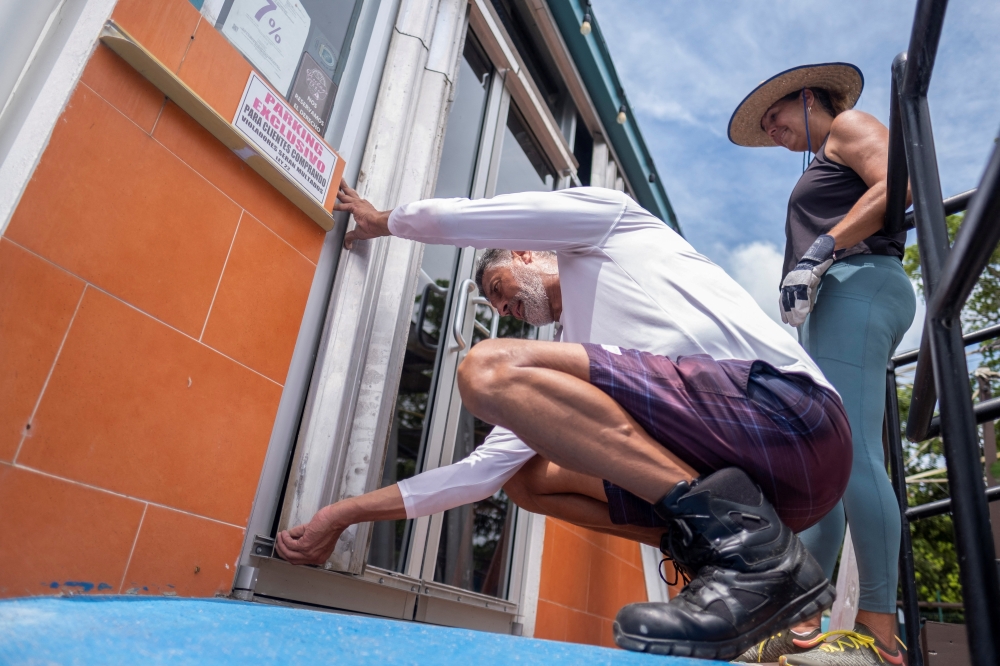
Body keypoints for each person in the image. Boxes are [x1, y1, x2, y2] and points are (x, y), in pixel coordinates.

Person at [276, 181, 853, 661]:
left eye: (500, 293)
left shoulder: (610, 224)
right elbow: (479, 473)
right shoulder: (571, 361)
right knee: (526, 478)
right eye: (500, 310)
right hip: (782, 498)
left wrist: (387, 221)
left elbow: (489, 218)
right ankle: (726, 554)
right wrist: (343, 514)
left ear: (526, 254)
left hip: (790, 416)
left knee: (487, 368)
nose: (506, 312)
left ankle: (753, 553)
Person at [727, 63, 915, 665]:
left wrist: (821, 248)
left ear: (808, 96)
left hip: (860, 283)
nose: (771, 128)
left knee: (853, 452)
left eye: (774, 116)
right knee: (823, 468)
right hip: (831, 302)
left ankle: (880, 636)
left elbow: (896, 186)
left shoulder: (850, 126)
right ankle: (803, 622)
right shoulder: (818, 160)